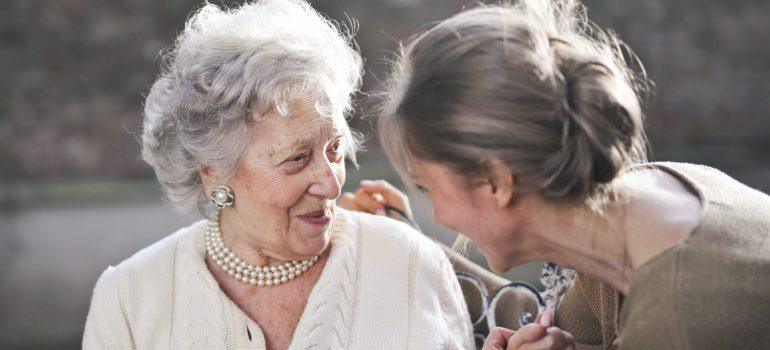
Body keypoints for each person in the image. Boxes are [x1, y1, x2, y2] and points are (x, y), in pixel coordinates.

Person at [343, 0, 770, 349]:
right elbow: (546, 316)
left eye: (426, 186)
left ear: (495, 182)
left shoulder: (685, 320)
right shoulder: (639, 207)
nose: (439, 213)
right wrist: (407, 245)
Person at [82, 1, 474, 349]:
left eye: (334, 150)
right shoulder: (128, 299)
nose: (332, 183)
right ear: (214, 173)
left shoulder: (410, 264)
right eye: (297, 159)